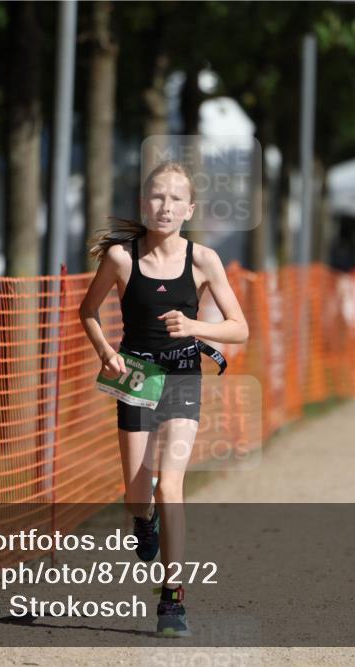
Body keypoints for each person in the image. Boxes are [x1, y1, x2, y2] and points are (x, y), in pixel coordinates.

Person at [77, 161, 249, 637]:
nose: (165, 206)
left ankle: (172, 600)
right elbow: (87, 311)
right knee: (138, 496)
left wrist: (194, 326)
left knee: (169, 486)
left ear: (189, 209)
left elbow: (240, 328)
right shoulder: (120, 259)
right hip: (136, 375)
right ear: (143, 204)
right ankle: (145, 519)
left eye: (176, 199)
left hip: (182, 376)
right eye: (157, 197)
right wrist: (106, 352)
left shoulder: (204, 260)